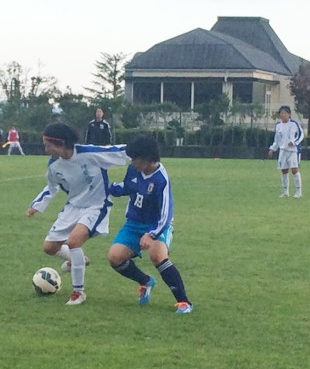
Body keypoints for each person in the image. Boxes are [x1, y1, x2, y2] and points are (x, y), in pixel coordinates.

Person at [27, 123, 129, 305]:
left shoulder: (88, 153)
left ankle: (78, 292)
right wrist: (36, 205)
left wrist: (141, 150)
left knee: (74, 241)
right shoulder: (54, 165)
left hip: (96, 205)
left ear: (60, 143)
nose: (45, 149)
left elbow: (117, 151)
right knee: (49, 247)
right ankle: (77, 260)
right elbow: (51, 187)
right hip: (73, 206)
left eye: (47, 145)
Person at [107, 135, 193, 314]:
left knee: (157, 255)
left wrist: (151, 234)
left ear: (147, 158)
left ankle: (184, 302)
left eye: (135, 159)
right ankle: (146, 281)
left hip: (158, 224)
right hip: (133, 223)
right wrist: (108, 187)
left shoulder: (161, 179)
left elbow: (166, 213)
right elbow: (127, 187)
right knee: (114, 258)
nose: (132, 162)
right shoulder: (134, 170)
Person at [268, 105, 304, 197]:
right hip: (283, 150)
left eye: (285, 113)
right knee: (284, 170)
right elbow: (277, 139)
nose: (283, 115)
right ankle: (285, 192)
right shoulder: (278, 125)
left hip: (293, 151)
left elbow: (301, 135)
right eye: (281, 113)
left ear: (289, 115)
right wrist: (272, 148)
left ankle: (298, 192)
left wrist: (294, 142)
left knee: (294, 170)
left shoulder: (294, 124)